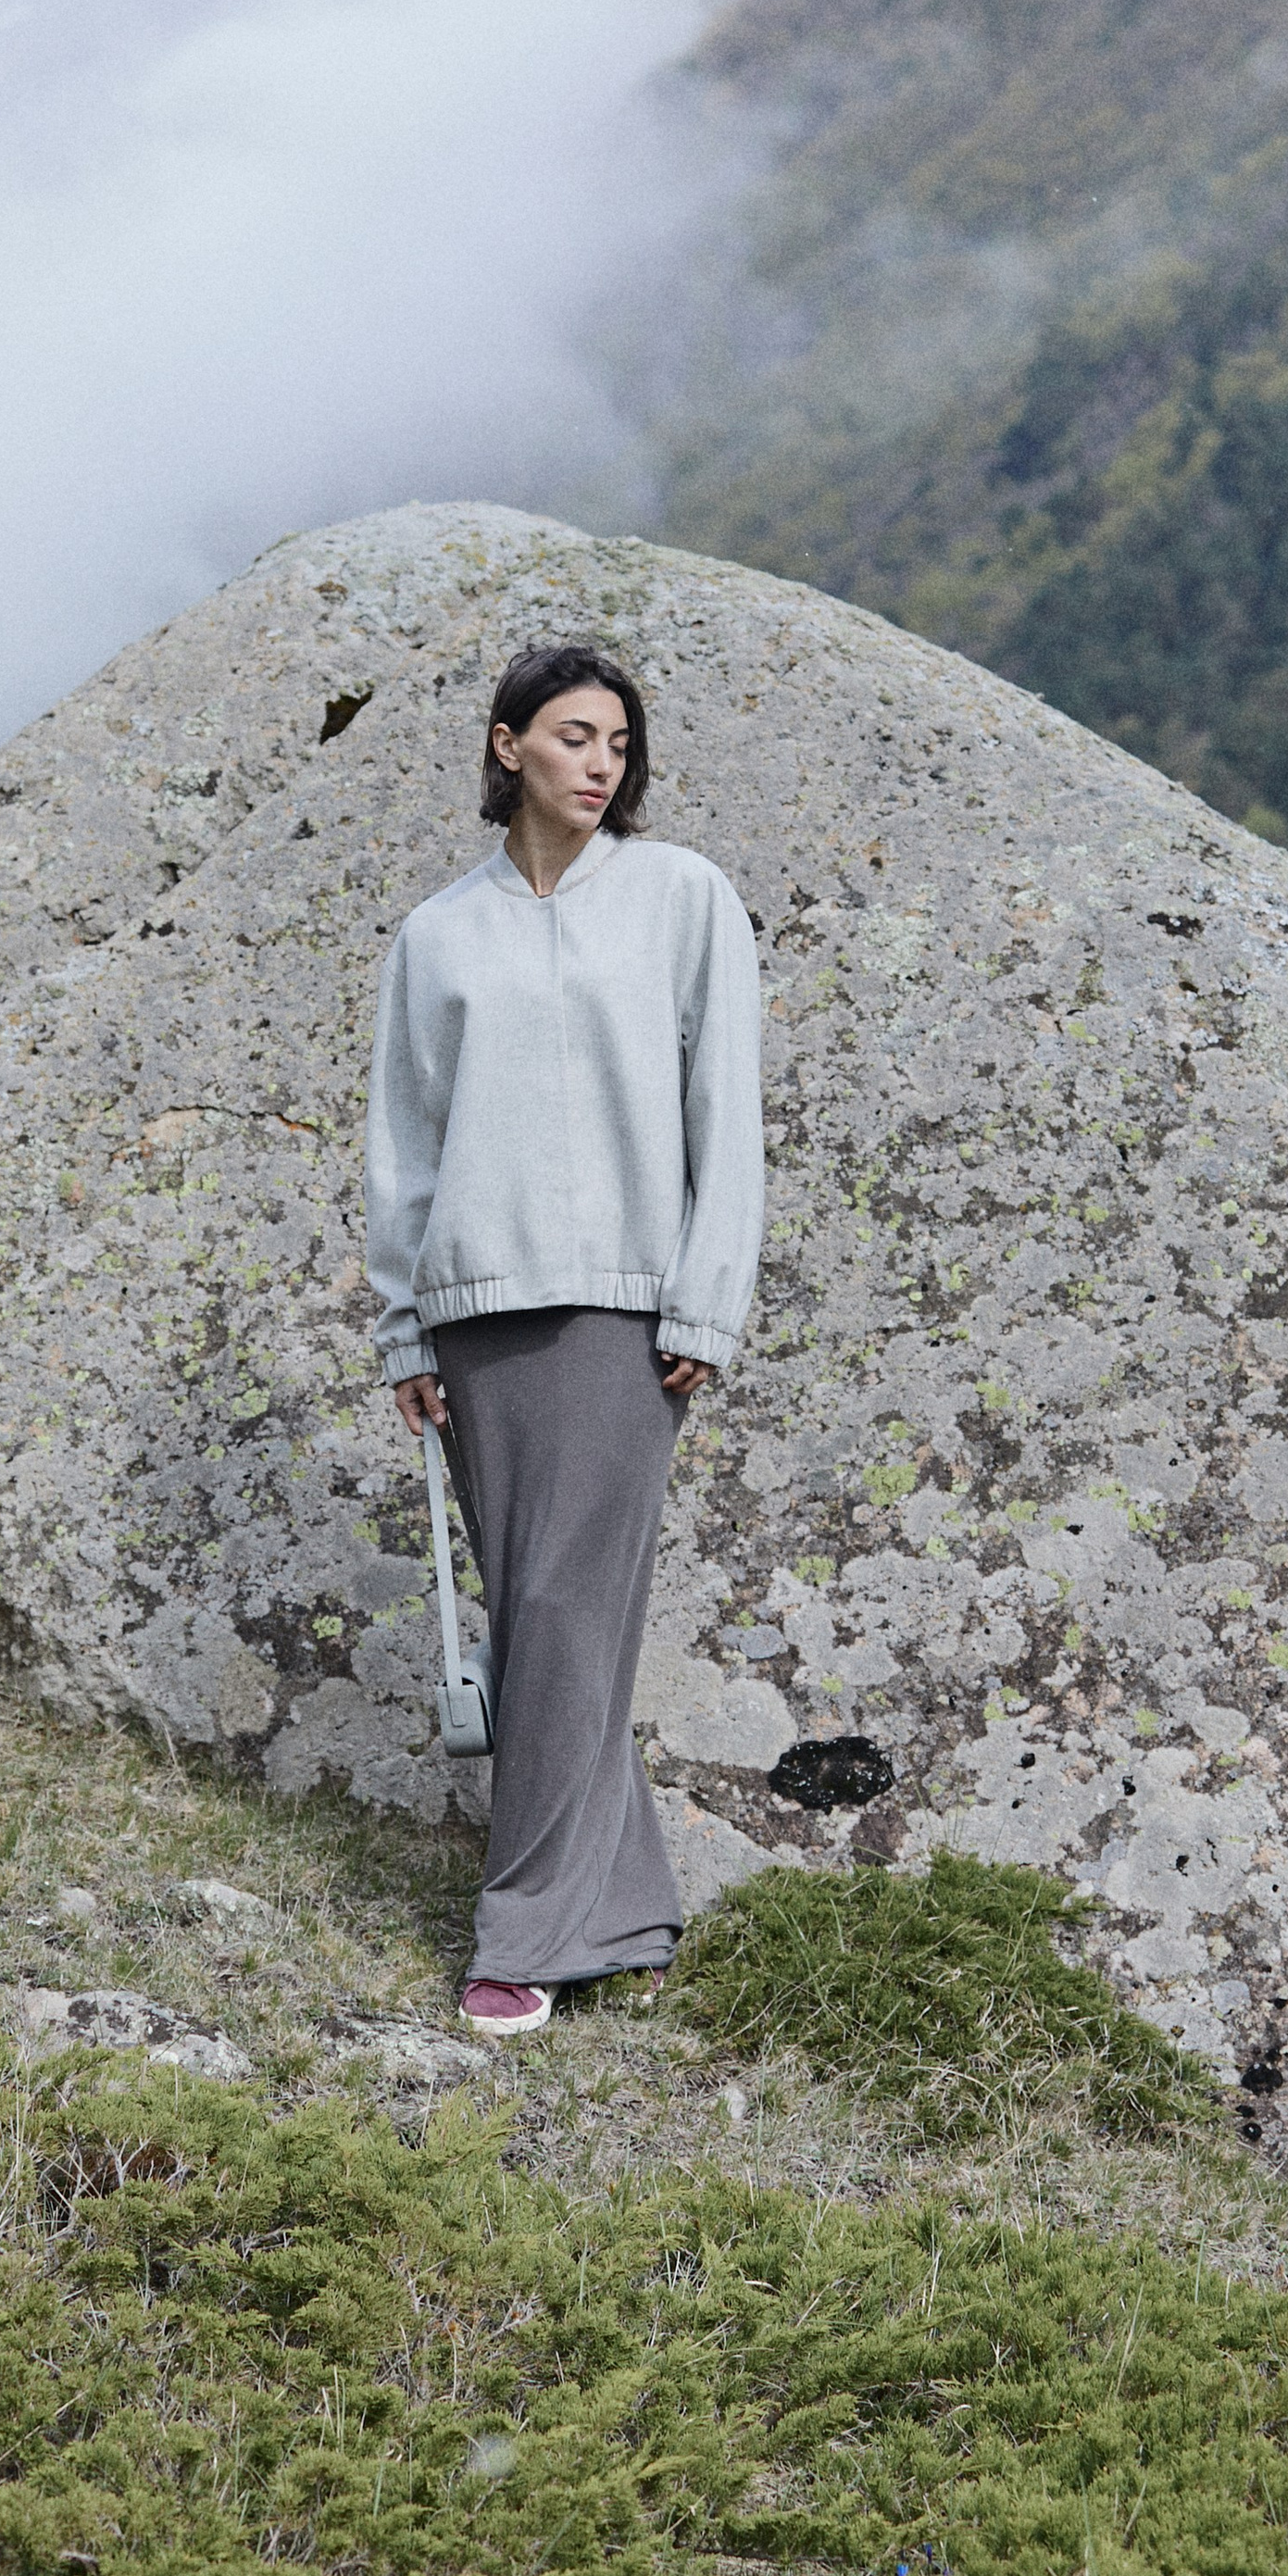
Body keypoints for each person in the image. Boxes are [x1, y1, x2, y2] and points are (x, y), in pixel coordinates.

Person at [364, 640, 765, 2038]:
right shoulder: (438, 936)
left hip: (621, 1312)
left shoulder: (681, 900)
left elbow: (730, 1112)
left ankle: (521, 1932)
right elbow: (405, 1146)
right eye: (576, 737)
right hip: (475, 1317)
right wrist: (401, 1323)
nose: (601, 764)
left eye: (620, 744)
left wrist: (707, 1295)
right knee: (551, 1621)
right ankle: (628, 1911)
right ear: (506, 745)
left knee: (557, 1618)